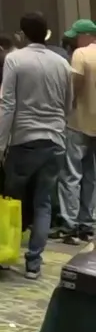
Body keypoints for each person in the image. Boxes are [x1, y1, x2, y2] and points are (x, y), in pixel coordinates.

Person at [0, 12, 73, 279]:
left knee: (13, 201)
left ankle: (4, 255)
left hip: (24, 141)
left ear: (22, 34)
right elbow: (68, 104)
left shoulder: (14, 59)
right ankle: (33, 264)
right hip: (55, 141)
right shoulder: (62, 63)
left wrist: (0, 143)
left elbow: (7, 103)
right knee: (43, 203)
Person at [60, 19, 96, 243]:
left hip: (78, 122)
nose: (74, 41)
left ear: (86, 35)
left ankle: (70, 224)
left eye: (77, 36)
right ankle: (88, 221)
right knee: (92, 175)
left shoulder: (81, 54)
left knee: (71, 175)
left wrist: (66, 109)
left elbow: (75, 85)